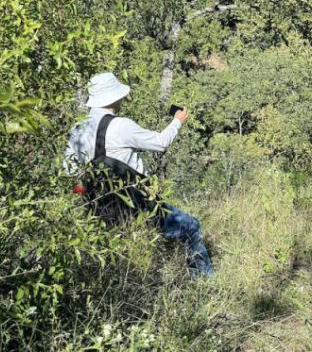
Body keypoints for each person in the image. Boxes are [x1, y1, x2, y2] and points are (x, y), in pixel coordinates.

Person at [64, 72, 213, 277]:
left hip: (97, 202)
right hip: (133, 199)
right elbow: (160, 143)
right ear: (115, 97)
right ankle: (203, 281)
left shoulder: (78, 128)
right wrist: (177, 122)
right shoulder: (120, 126)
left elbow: (70, 171)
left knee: (115, 246)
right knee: (191, 226)